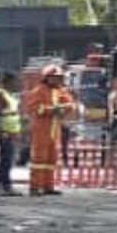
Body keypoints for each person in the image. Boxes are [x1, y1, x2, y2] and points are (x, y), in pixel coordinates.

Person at [27, 66, 79, 196]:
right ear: (47, 78)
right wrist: (51, 110)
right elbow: (34, 108)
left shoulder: (61, 91)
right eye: (55, 78)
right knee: (39, 159)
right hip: (42, 129)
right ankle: (35, 187)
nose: (57, 80)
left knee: (52, 158)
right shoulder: (38, 91)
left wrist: (63, 108)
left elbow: (71, 105)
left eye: (59, 78)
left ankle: (48, 186)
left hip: (55, 129)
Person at [0, 73, 17, 194]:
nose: (16, 84)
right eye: (13, 82)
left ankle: (0, 184)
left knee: (7, 159)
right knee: (6, 159)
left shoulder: (10, 95)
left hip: (11, 129)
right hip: (4, 130)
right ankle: (4, 184)